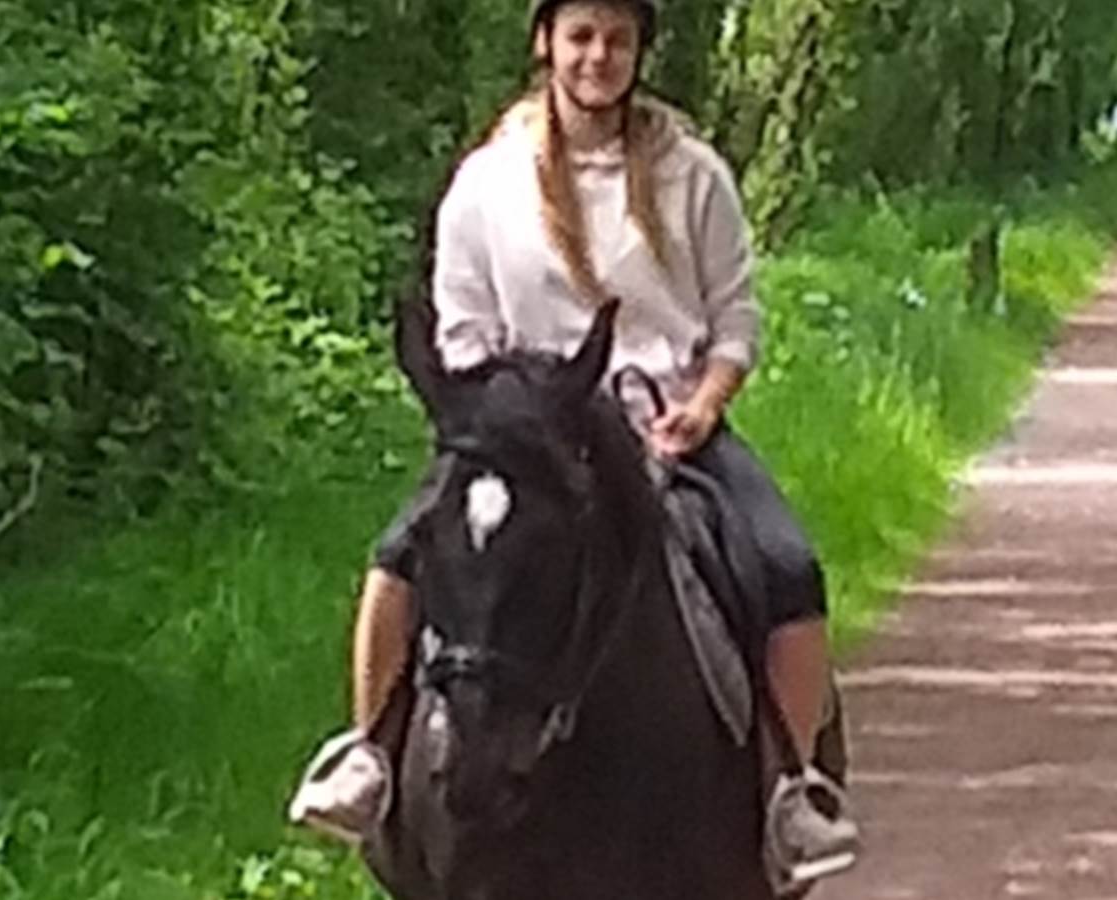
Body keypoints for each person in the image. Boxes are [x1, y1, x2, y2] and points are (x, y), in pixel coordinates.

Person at [288, 0, 859, 886]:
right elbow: (463, 327)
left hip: (667, 427)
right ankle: (368, 756)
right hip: (520, 434)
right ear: (545, 42)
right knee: (398, 560)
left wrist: (703, 406)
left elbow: (734, 320)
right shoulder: (487, 182)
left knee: (786, 568)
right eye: (581, 36)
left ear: (639, 51)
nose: (599, 56)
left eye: (618, 39)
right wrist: (515, 411)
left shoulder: (694, 175)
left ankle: (788, 793)